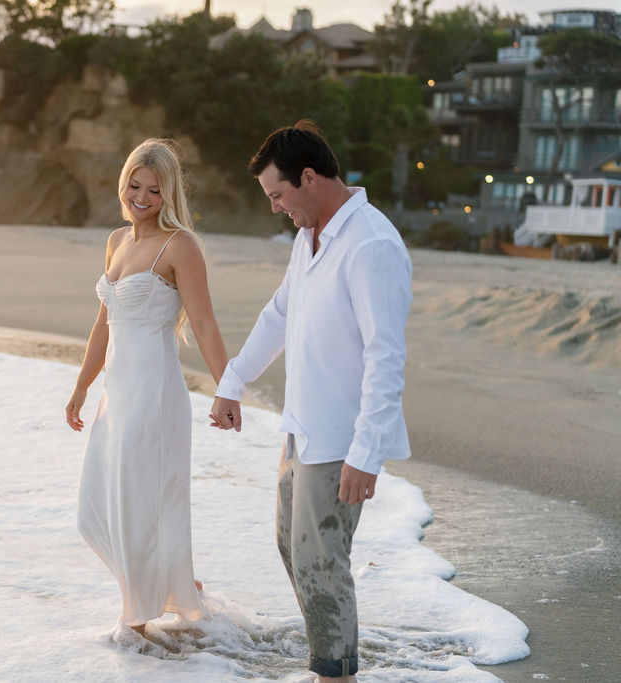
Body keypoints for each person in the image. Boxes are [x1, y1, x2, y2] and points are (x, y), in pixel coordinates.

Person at [209, 120, 412, 681]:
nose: (275, 208)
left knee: (321, 562)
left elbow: (386, 357)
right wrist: (232, 381)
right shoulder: (309, 238)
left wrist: (366, 453)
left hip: (343, 437)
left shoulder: (371, 244)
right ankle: (332, 661)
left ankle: (335, 673)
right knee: (292, 549)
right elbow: (279, 314)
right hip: (301, 428)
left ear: (308, 178)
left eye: (278, 195)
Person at [66, 138, 229, 638]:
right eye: (134, 185)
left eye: (154, 190)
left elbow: (204, 324)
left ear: (168, 193)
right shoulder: (117, 240)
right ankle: (176, 589)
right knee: (98, 506)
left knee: (138, 504)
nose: (141, 197)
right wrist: (81, 389)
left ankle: (135, 623)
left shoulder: (179, 246)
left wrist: (228, 390)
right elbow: (103, 324)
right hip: (117, 397)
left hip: (155, 397)